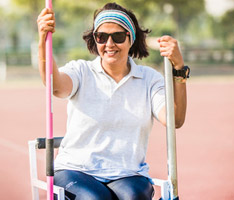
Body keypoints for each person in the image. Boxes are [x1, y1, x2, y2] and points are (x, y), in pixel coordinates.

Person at [37, 2, 189, 200]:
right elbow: (55, 86)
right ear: (95, 39)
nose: (109, 44)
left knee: (134, 198)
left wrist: (178, 69)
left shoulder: (149, 80)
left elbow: (174, 119)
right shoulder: (82, 71)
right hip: (76, 170)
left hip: (128, 173)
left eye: (117, 36)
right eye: (101, 37)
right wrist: (42, 40)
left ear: (130, 39)